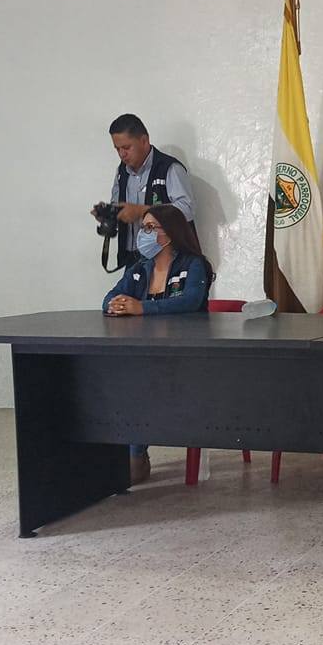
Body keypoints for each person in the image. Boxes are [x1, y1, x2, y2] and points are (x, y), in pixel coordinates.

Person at [101, 203, 213, 483]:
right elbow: (110, 297)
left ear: (171, 233)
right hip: (143, 355)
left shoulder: (193, 265)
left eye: (151, 228)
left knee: (138, 383)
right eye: (143, 228)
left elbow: (190, 301)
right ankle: (121, 453)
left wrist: (142, 308)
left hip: (185, 358)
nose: (144, 234)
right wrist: (115, 304)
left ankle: (135, 454)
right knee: (116, 379)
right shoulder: (139, 268)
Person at [92, 114, 194, 269]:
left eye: (126, 147)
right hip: (131, 259)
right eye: (117, 149)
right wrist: (109, 214)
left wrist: (143, 211)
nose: (121, 154)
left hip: (167, 260)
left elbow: (187, 209)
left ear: (144, 141)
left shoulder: (169, 168)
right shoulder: (122, 172)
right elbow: (120, 207)